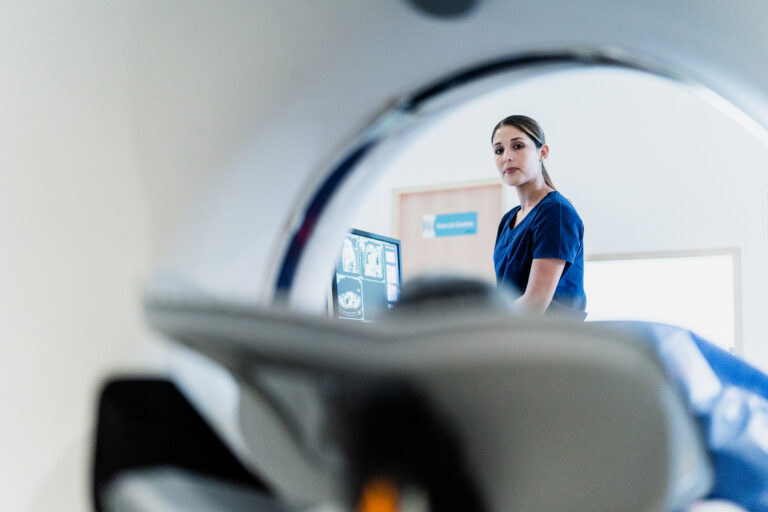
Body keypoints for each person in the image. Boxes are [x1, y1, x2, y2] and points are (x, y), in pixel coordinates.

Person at [492, 115, 586, 317]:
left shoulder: (556, 213)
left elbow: (534, 304)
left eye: (517, 146)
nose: (506, 157)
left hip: (551, 341)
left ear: (542, 152)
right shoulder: (508, 219)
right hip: (515, 337)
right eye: (499, 150)